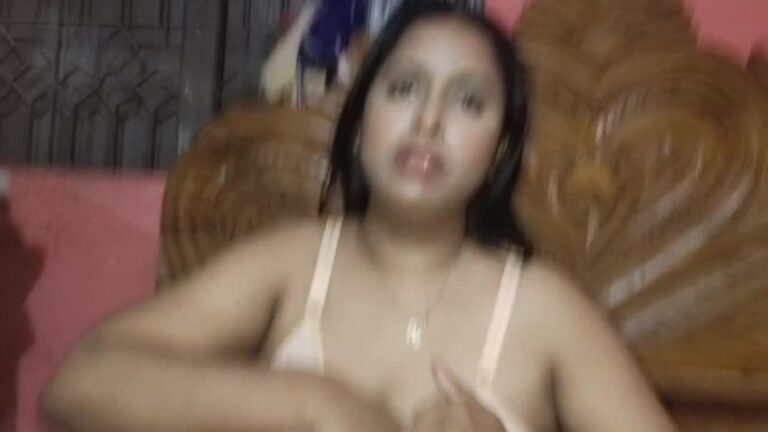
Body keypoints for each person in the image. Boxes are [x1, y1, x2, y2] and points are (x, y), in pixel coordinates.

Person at [41, 1, 677, 431]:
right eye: (403, 89)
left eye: (468, 102)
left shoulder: (544, 310)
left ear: (500, 151)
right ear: (361, 119)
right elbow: (79, 383)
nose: (428, 120)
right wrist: (314, 404)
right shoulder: (293, 264)